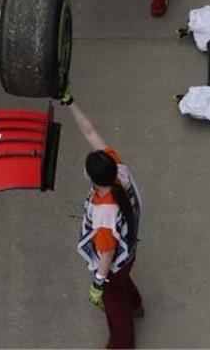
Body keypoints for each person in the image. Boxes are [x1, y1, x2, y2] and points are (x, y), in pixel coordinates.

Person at [59, 88, 144, 349]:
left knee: (114, 305)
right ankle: (136, 304)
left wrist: (98, 283)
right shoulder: (118, 170)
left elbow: (106, 254)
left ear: (95, 179)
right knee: (123, 282)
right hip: (128, 252)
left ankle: (121, 343)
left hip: (114, 265)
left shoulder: (103, 215)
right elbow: (90, 132)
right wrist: (70, 102)